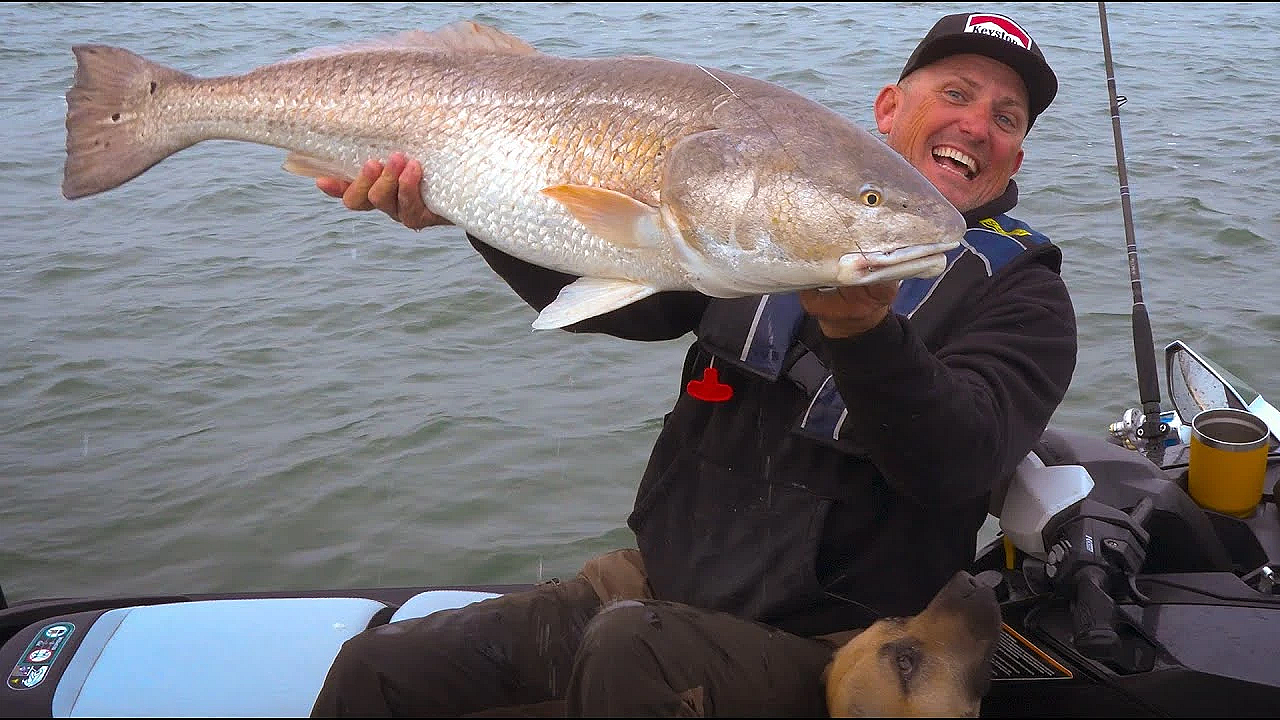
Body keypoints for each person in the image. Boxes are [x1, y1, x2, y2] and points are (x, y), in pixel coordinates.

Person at [310, 11, 1076, 718]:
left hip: (832, 643)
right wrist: (467, 201)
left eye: (1005, 118)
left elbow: (957, 461)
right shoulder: (774, 198)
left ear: (1017, 152)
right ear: (888, 110)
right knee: (376, 672)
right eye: (956, 93)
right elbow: (637, 308)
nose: (975, 125)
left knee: (629, 658)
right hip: (659, 586)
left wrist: (866, 333)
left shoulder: (1026, 299)